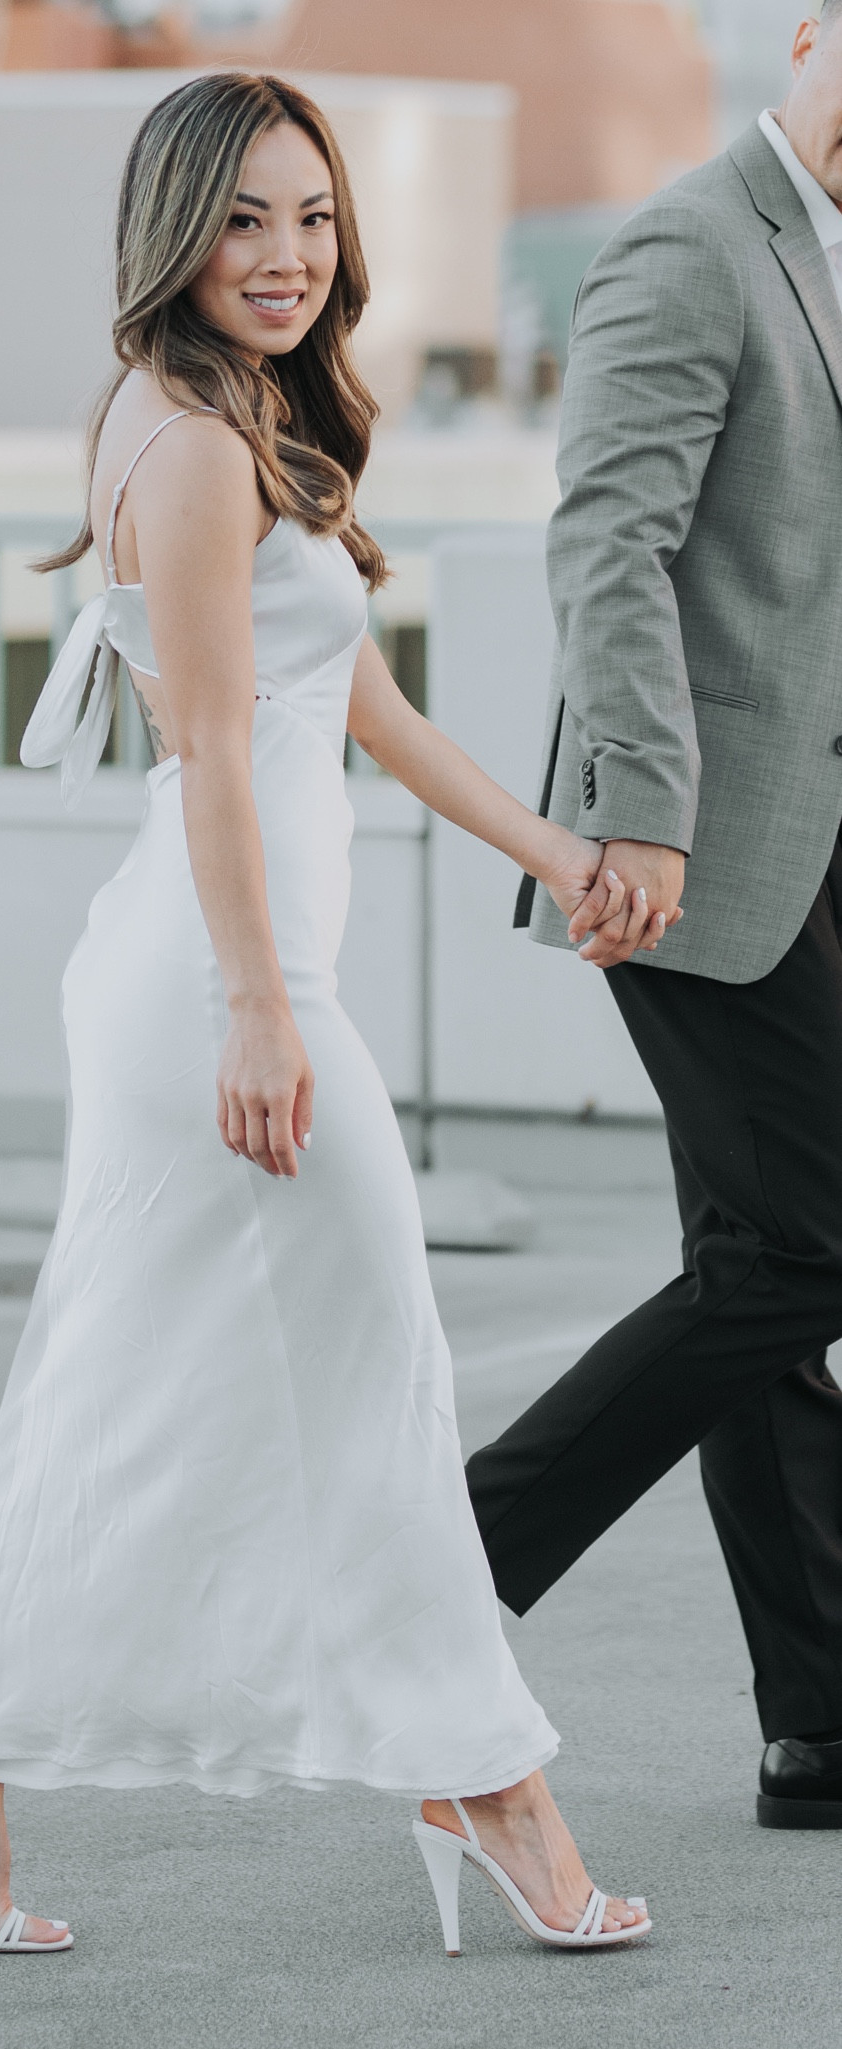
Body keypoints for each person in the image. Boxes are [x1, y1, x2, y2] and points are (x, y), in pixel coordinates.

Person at [0, 73, 653, 1956]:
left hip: (221, 970)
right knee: (370, 1359)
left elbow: (351, 704)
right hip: (218, 981)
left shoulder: (233, 412)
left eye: (310, 217)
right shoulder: (197, 446)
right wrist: (258, 1011)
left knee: (125, 1377)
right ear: (174, 231)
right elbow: (213, 747)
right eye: (243, 221)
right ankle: (484, 1775)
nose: (285, 257)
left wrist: (553, 845)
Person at [466, 11, 842, 1831]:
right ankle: (458, 1551)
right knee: (803, 1245)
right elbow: (605, 537)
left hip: (822, 832)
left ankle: (820, 1722)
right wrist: (636, 812)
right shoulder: (695, 240)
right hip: (692, 839)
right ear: (805, 37)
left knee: (764, 1253)